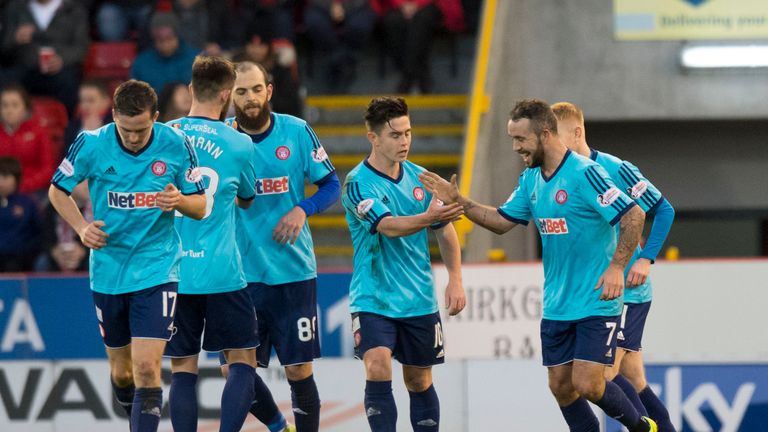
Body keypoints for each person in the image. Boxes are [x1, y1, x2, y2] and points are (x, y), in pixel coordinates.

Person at [419, 99, 658, 432]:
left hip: (595, 300)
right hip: (557, 305)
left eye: (521, 139)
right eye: (513, 139)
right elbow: (500, 221)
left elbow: (634, 214)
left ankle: (644, 427)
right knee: (561, 387)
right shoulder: (531, 180)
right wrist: (458, 201)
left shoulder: (586, 174)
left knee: (588, 383)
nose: (516, 147)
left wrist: (618, 267)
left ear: (545, 134)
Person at [48, 79, 206, 432]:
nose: (134, 137)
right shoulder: (91, 143)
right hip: (109, 269)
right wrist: (81, 228)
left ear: (156, 117)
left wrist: (179, 200)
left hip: (157, 267)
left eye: (141, 129)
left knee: (147, 369)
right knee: (121, 373)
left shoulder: (176, 144)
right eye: (126, 129)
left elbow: (201, 205)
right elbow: (58, 191)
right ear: (114, 115)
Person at [223, 61, 341, 432]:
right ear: (229, 97)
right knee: (234, 367)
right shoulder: (221, 138)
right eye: (241, 91)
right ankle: (278, 426)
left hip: (292, 272)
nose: (250, 98)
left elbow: (331, 186)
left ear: (269, 91)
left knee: (298, 369)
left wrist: (302, 210)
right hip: (239, 276)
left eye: (256, 89)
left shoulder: (296, 131)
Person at [341, 96, 465, 432]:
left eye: (408, 133)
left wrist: (455, 279)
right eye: (395, 135)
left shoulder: (423, 179)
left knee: (418, 378)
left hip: (418, 297)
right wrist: (428, 217)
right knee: (378, 364)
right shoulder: (357, 183)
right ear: (374, 138)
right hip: (374, 296)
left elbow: (446, 232)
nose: (404, 141)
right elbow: (388, 226)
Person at [553, 101, 676, 432]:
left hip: (628, 291)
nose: (551, 145)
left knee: (602, 375)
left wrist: (647, 259)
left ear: (577, 132)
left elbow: (663, 210)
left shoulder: (616, 168)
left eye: (557, 136)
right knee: (633, 378)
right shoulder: (563, 177)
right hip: (597, 294)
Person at [162, 55, 262, 432]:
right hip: (222, 271)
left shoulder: (164, 135)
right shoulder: (239, 143)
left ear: (190, 90)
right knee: (242, 361)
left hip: (174, 272)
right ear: (226, 95)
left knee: (183, 366)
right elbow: (248, 198)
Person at [0, 0, 89, 113]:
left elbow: (81, 47)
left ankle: (67, 126)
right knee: (4, 79)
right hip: (25, 68)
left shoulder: (73, 8)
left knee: (69, 82)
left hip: (61, 71)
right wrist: (15, 39)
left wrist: (61, 60)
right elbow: (4, 48)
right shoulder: (15, 7)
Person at [370, 0, 464, 94]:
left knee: (422, 19)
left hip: (432, 4)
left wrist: (417, 4)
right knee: (393, 21)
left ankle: (408, 75)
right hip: (397, 4)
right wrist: (402, 4)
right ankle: (420, 72)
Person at [303, 0, 377, 91]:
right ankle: (341, 62)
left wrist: (344, 7)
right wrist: (330, 6)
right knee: (315, 23)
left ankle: (340, 62)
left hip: (357, 6)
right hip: (320, 6)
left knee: (358, 26)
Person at [0, 84, 56, 195]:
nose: (9, 110)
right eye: (5, 105)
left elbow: (48, 169)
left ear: (25, 109)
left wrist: (23, 185)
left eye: (15, 105)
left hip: (33, 190)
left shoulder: (39, 131)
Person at [131, 12, 197, 94]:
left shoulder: (196, 59)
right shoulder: (141, 63)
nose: (165, 44)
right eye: (160, 40)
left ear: (177, 35)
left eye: (169, 38)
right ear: (153, 39)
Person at [0, 156, 40, 272]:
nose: (0, 181)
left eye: (5, 176)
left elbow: (37, 231)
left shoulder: (27, 202)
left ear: (16, 179)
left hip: (20, 257)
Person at [63, 80, 113, 156]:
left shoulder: (116, 127)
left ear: (106, 102)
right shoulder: (73, 126)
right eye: (82, 101)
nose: (85, 106)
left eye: (91, 101)